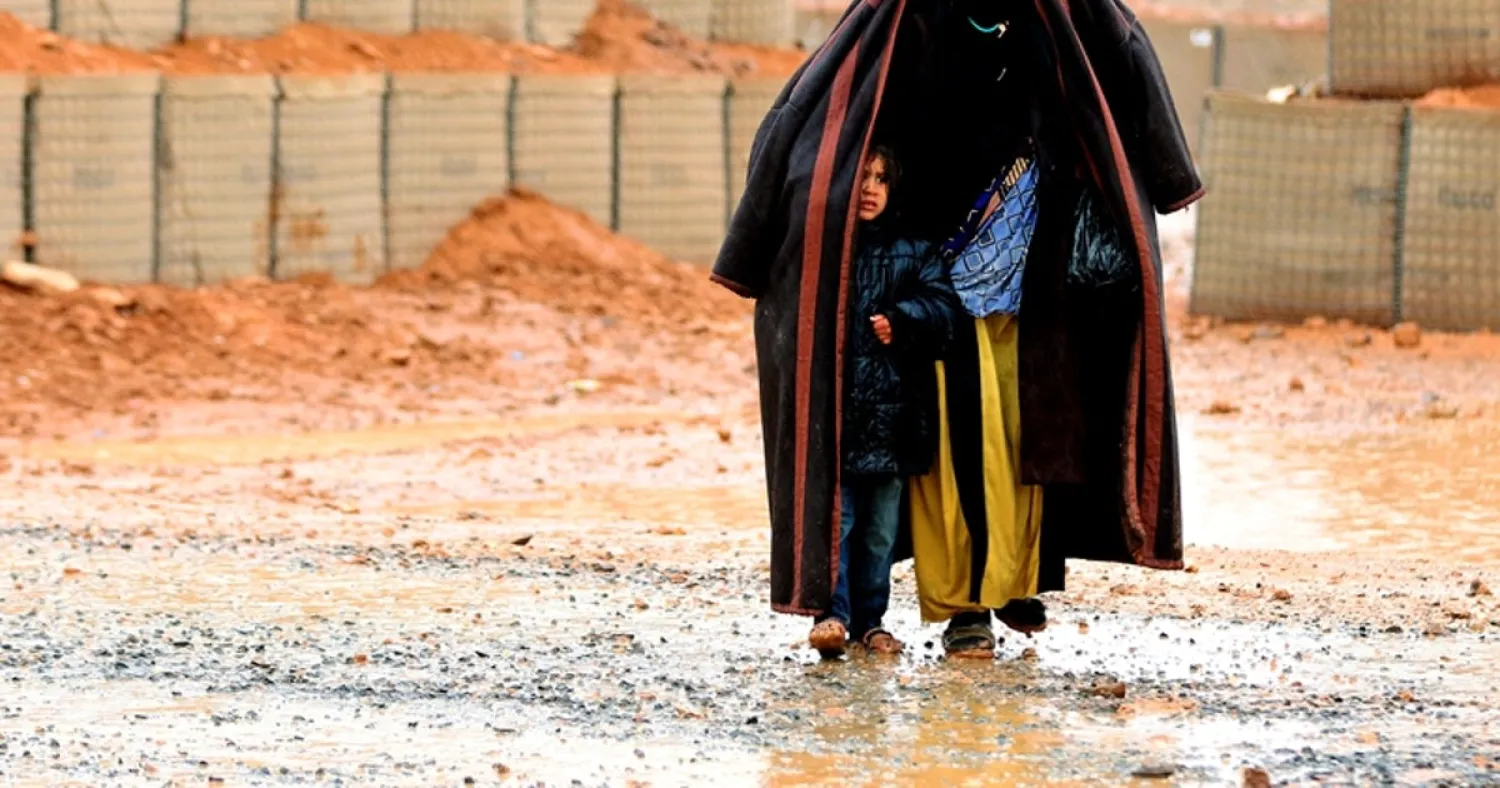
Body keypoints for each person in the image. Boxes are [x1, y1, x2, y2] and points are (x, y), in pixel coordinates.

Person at [712, 0, 1201, 641]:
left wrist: (1165, 179)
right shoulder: (906, 28)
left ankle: (1016, 584)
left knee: (1029, 440)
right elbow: (805, 127)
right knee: (951, 449)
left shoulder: (1058, 23)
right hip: (938, 279)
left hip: (1032, 281)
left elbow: (1121, 67)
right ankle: (964, 608)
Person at [806, 146, 960, 659]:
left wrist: (905, 318)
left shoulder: (915, 250)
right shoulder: (827, 248)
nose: (870, 187)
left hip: (893, 420)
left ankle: (872, 622)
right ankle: (834, 615)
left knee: (879, 532)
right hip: (841, 419)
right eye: (863, 176)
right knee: (840, 521)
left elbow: (944, 310)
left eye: (882, 178)